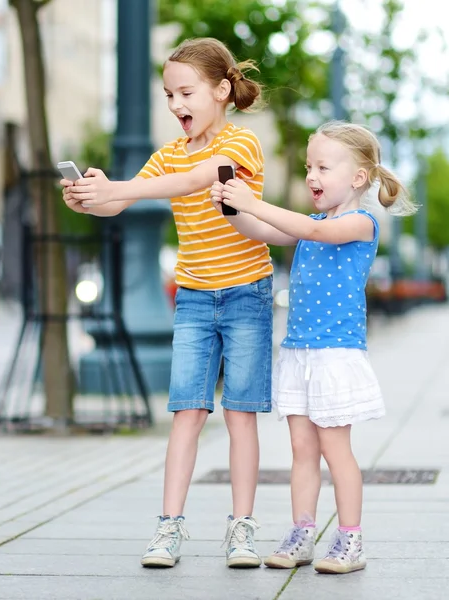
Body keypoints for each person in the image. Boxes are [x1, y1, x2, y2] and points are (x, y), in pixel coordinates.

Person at [61, 37, 274, 569]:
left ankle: (242, 530)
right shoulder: (167, 156)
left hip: (248, 293)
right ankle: (168, 528)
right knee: (186, 413)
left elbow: (200, 179)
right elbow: (125, 202)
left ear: (222, 90)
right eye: (168, 95)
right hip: (196, 300)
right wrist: (94, 197)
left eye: (186, 92)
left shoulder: (241, 144)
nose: (177, 105)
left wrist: (123, 190)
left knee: (242, 415)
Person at [210, 120, 416, 574]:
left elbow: (311, 231)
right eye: (309, 166)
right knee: (301, 450)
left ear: (358, 178)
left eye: (323, 166)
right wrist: (232, 207)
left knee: (335, 450)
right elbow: (262, 231)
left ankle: (350, 540)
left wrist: (255, 201)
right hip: (299, 352)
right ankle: (302, 531)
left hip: (334, 355)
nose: (311, 176)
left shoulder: (358, 223)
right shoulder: (313, 223)